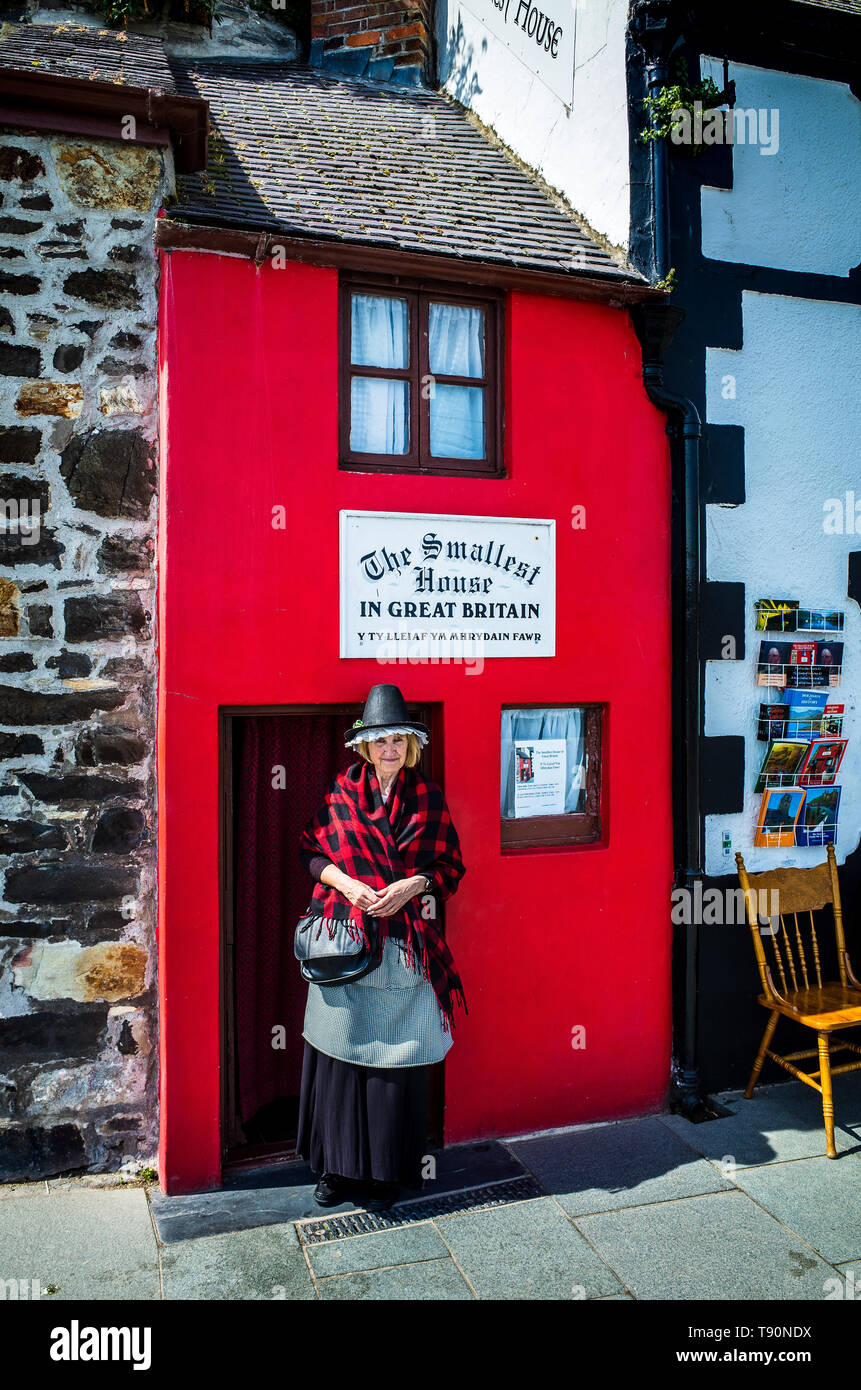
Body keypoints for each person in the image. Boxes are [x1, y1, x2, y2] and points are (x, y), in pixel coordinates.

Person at [295, 683, 467, 1212]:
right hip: (346, 945)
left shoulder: (428, 798)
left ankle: (385, 1174)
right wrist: (348, 886)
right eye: (378, 741)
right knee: (340, 1061)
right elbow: (309, 852)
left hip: (404, 949)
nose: (388, 749)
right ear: (363, 747)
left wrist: (412, 886)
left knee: (396, 1065)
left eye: (397, 740)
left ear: (409, 746)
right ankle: (335, 1170)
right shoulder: (337, 795)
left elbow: (451, 868)